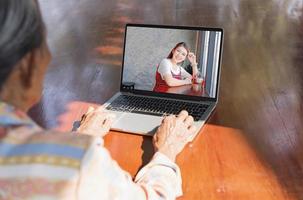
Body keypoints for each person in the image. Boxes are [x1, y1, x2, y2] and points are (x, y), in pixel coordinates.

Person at [0, 0, 197, 199]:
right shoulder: (72, 166)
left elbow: (193, 78)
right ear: (26, 65)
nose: (49, 56)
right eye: (43, 44)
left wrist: (81, 139)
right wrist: (167, 151)